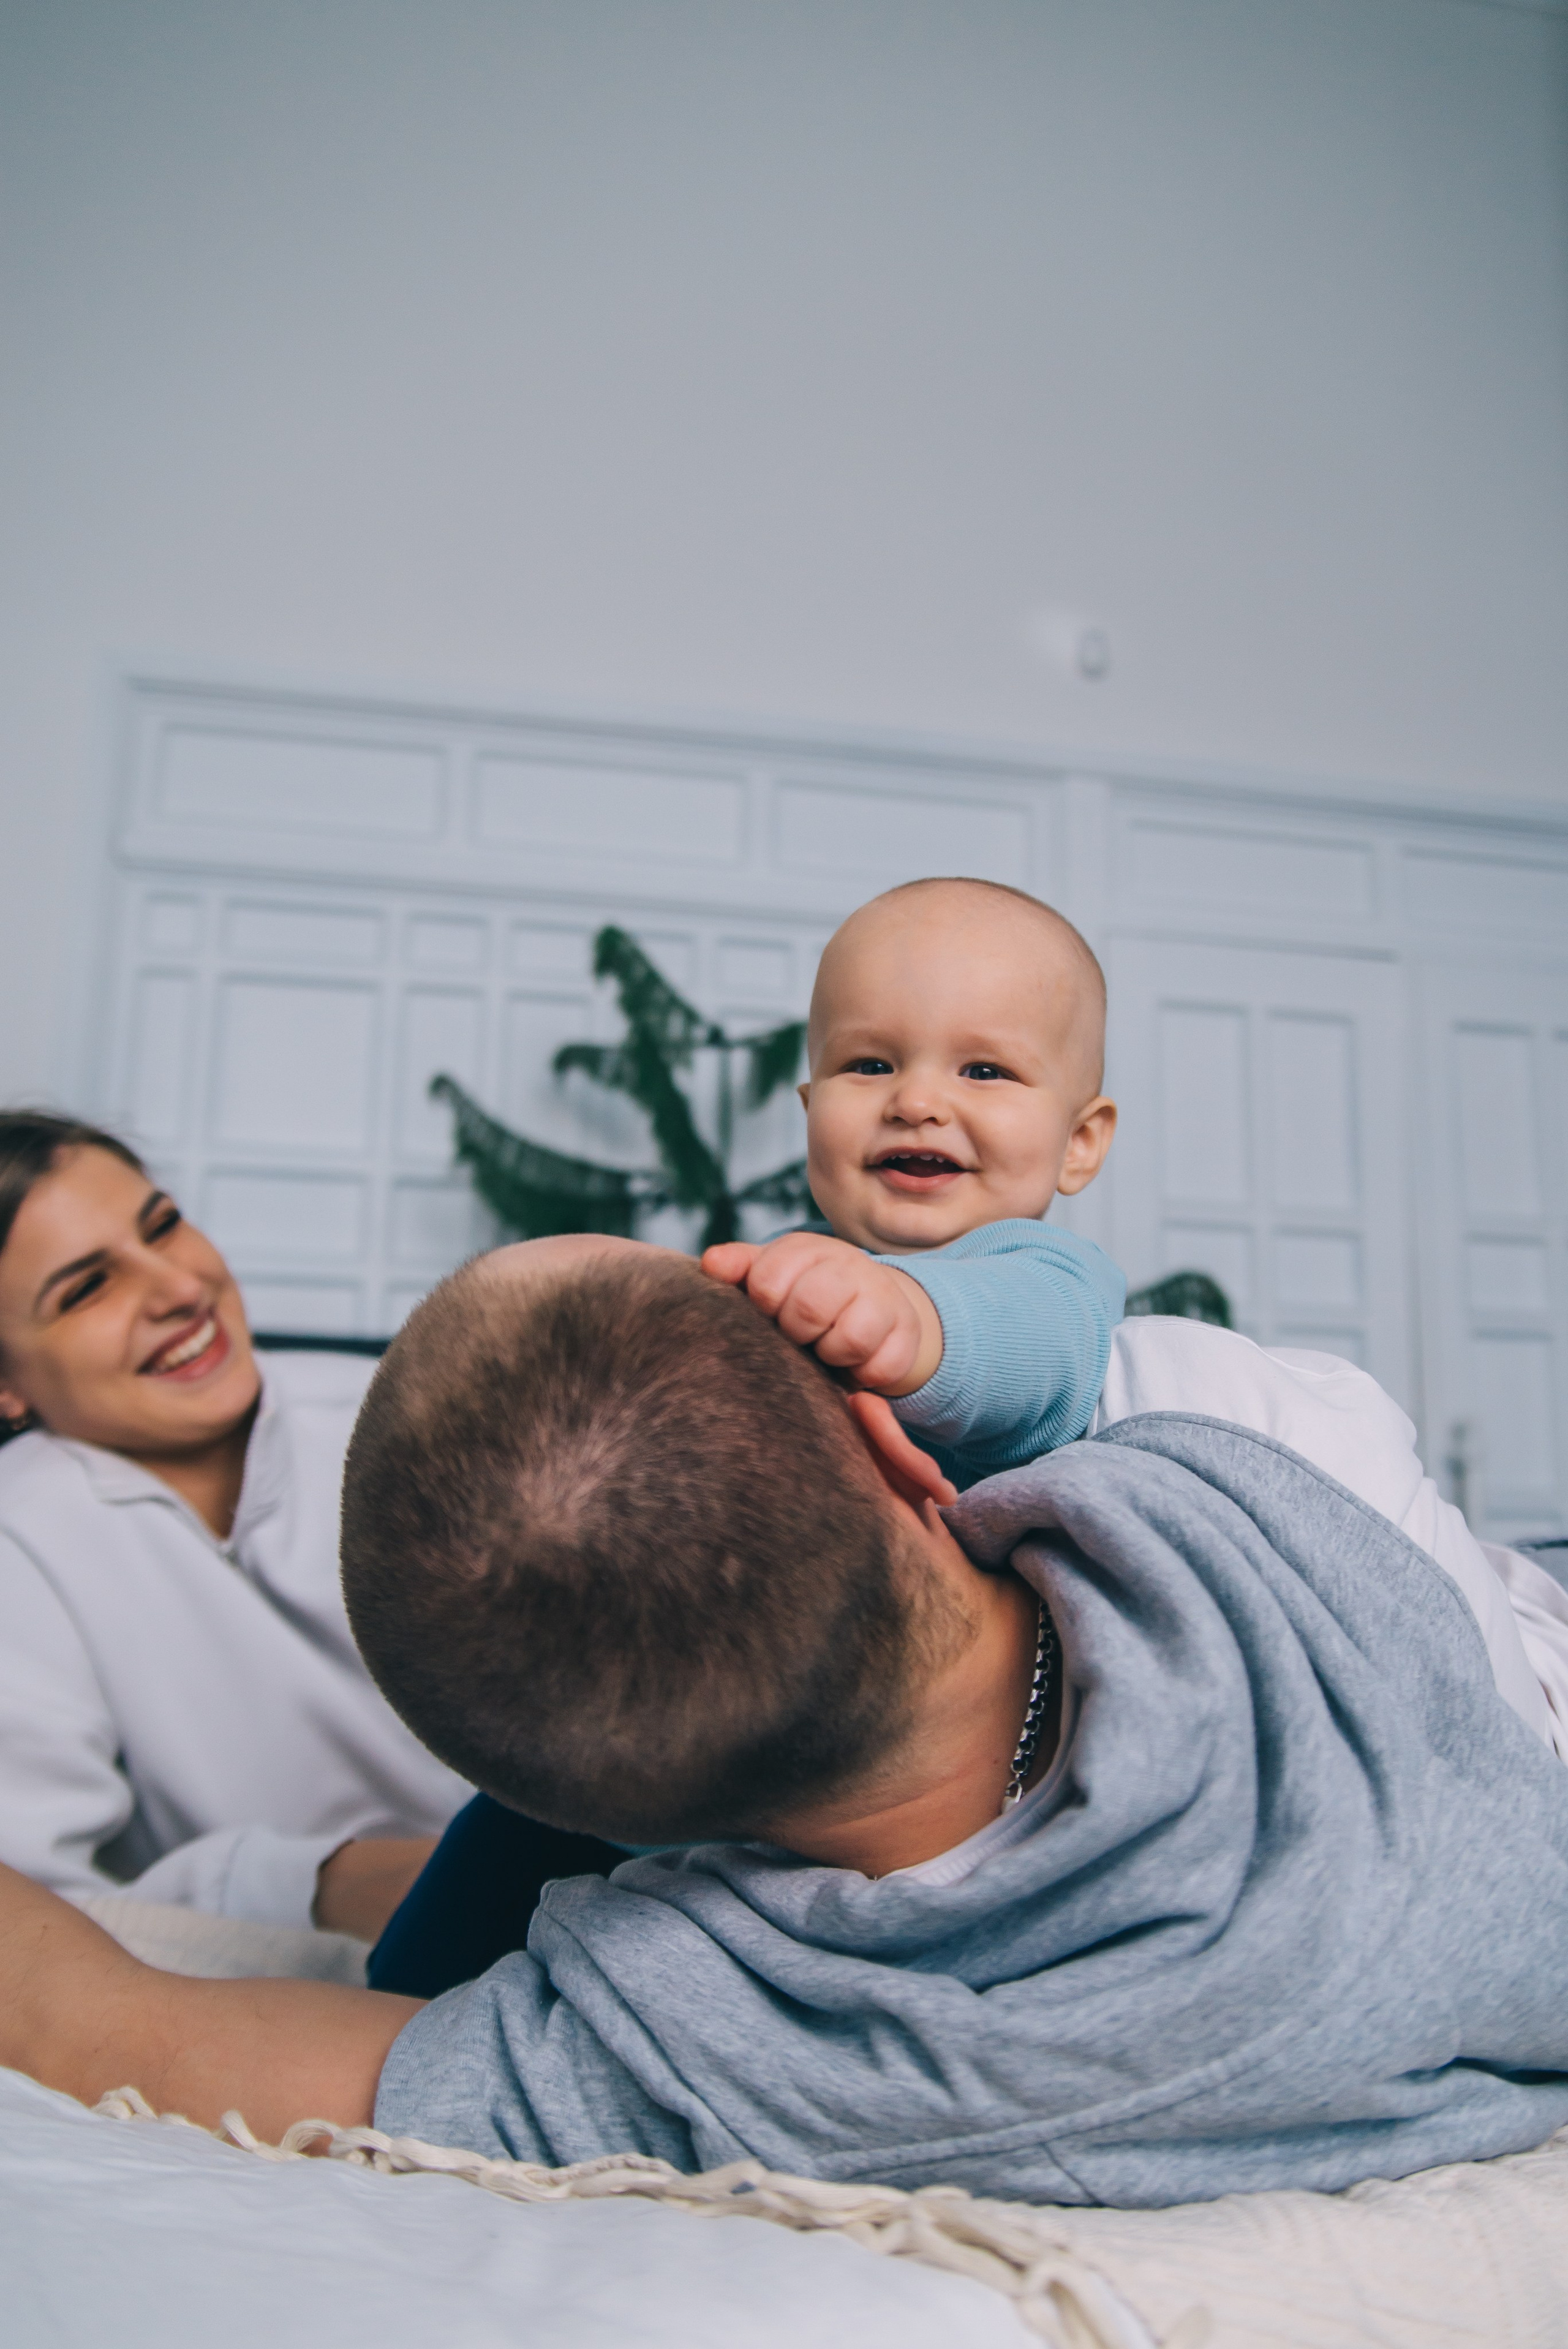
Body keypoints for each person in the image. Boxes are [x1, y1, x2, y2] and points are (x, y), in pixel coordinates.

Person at [4, 1235, 1568, 2208]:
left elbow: (95, 2029)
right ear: (896, 1449)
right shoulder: (1232, 1458)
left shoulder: (700, 2059)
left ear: (578, 1821)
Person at [0, 1111, 469, 1940]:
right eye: (86, 1289)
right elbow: (29, 1923)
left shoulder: (408, 1402)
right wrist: (313, 1886)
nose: (180, 1289)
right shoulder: (22, 1535)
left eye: (164, 1226)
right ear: (8, 1387)